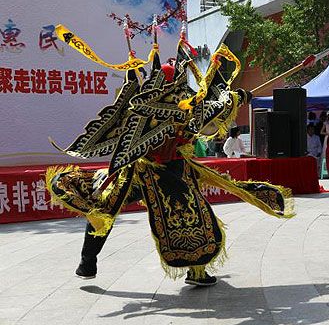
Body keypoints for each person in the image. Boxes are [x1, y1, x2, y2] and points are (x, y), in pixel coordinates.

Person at [47, 38, 294, 286]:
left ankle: (89, 262)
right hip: (153, 170)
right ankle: (92, 262)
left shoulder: (169, 104)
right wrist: (237, 98)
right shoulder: (171, 106)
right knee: (185, 213)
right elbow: (213, 109)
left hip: (154, 169)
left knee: (112, 209)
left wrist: (237, 98)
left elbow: (211, 111)